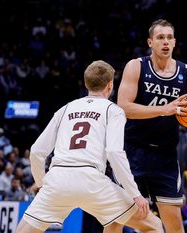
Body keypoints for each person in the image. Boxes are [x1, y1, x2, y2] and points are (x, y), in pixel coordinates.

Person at [15, 60, 163, 233]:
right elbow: (114, 153)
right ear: (110, 85)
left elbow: (37, 151)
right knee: (153, 225)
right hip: (92, 181)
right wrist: (135, 194)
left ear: (86, 84)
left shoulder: (65, 109)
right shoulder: (113, 110)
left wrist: (42, 183)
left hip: (57, 179)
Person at [116, 18, 187, 233]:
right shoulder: (136, 67)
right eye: (160, 37)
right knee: (116, 219)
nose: (165, 42)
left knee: (174, 225)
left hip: (165, 156)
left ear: (174, 42)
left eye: (169, 37)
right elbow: (123, 108)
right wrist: (164, 110)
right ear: (150, 42)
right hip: (132, 151)